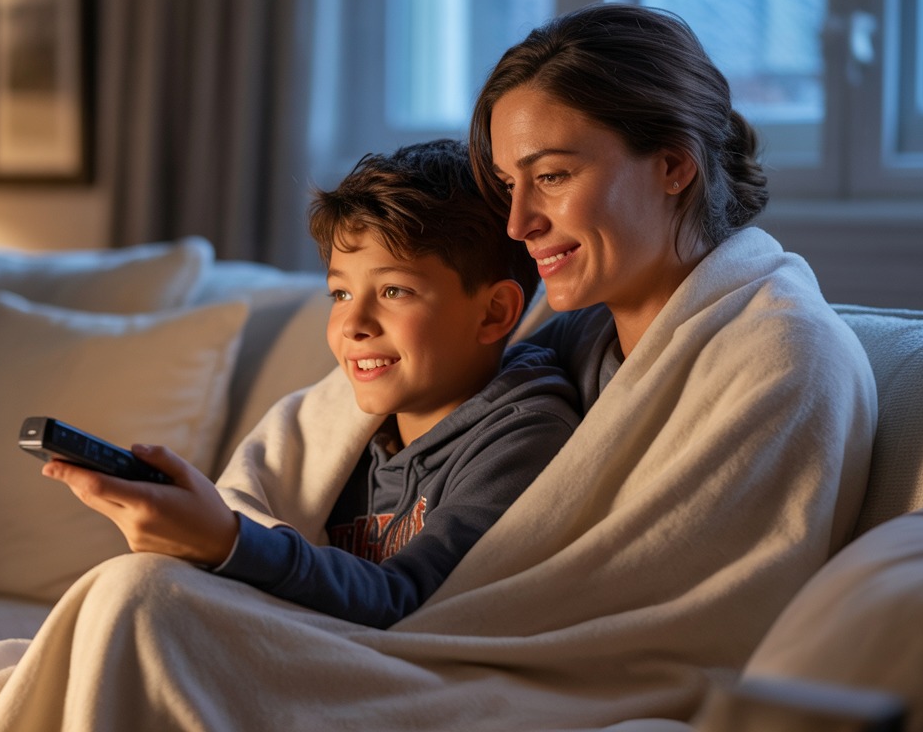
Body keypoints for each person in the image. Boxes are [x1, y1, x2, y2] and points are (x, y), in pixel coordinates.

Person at [0, 4, 877, 731]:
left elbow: (632, 612)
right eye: (507, 185)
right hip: (405, 638)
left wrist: (228, 546)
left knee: (144, 604)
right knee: (129, 599)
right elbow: (339, 431)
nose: (518, 224)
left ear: (673, 162)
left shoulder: (778, 355)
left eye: (553, 177)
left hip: (545, 681)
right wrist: (225, 530)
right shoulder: (577, 339)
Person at [45, 138, 580, 629]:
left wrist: (227, 541)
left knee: (133, 593)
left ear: (494, 313)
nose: (353, 324)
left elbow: (418, 604)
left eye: (394, 291)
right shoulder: (341, 428)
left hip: (406, 675)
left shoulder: (522, 438)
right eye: (340, 294)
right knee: (133, 590)